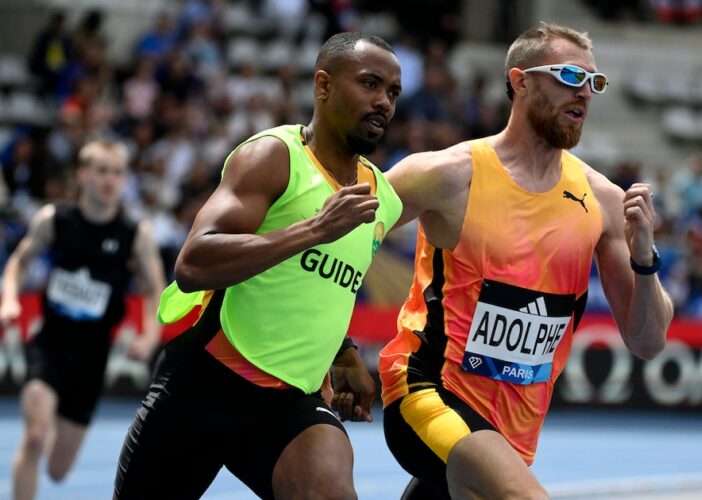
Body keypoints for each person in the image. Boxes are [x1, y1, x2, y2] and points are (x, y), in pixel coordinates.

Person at [379, 23, 674, 499]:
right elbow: (335, 238)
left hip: (513, 429)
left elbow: (647, 341)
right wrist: (338, 351)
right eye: (569, 77)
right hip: (427, 390)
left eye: (594, 82)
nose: (585, 94)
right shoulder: (447, 175)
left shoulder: (602, 201)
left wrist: (644, 260)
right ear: (520, 81)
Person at [113, 32, 403, 499]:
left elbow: (319, 283)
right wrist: (311, 230)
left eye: (392, 92)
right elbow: (193, 262)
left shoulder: (382, 198)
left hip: (289, 404)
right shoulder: (274, 157)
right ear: (323, 85)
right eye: (370, 83)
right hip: (204, 384)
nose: (383, 102)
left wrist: (342, 352)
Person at [0, 138, 166, 500]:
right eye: (102, 171)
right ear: (84, 175)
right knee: (34, 437)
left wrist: (150, 335)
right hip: (49, 344)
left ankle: (57, 427)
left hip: (92, 358)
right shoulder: (54, 219)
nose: (109, 179)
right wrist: (10, 299)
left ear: (124, 180)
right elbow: (18, 262)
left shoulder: (135, 234)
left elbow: (157, 290)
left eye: (118, 173)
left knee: (58, 471)